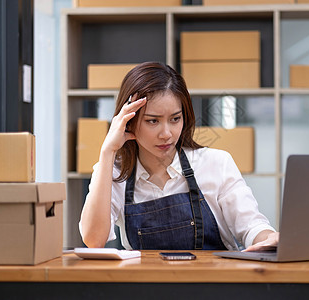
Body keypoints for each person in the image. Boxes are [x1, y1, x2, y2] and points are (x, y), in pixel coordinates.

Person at [79, 61, 279, 251]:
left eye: (175, 119)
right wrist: (107, 153)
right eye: (153, 121)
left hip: (215, 284)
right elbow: (94, 239)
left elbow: (252, 226)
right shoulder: (113, 173)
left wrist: (270, 238)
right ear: (128, 121)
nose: (166, 133)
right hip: (145, 286)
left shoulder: (216, 163)